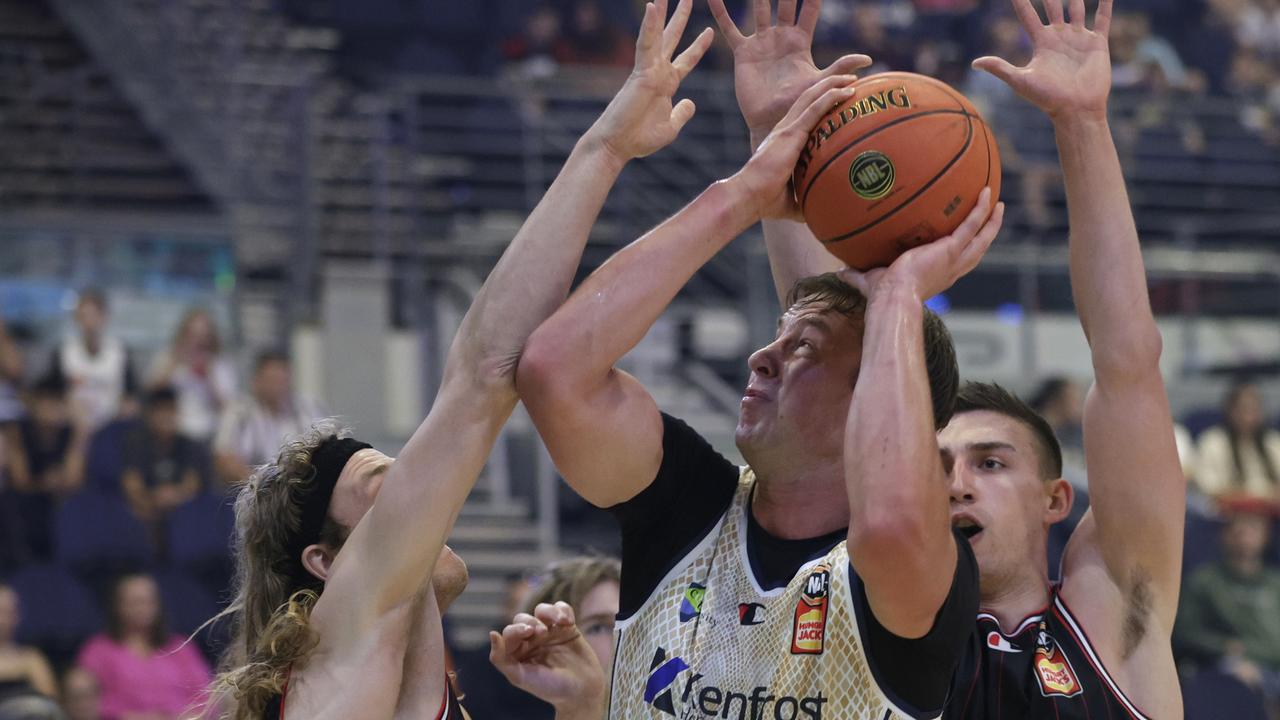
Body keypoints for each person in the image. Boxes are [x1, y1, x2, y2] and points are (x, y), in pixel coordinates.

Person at [205, 4, 716, 718]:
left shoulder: (392, 669)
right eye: (385, 483)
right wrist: (605, 149)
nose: (425, 490)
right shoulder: (341, 641)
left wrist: (583, 709)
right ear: (326, 564)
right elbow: (484, 371)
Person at [518, 1, 1002, 715]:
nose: (760, 358)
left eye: (798, 349)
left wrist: (901, 295)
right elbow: (553, 372)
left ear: (871, 394)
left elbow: (893, 518)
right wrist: (747, 191)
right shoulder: (687, 509)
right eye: (777, 339)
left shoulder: (919, 565)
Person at [938, 0, 1185, 716]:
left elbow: (1128, 361)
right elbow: (821, 359)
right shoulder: (882, 633)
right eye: (939, 465)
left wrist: (1081, 125)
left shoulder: (1113, 610)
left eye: (989, 462)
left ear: (1055, 500)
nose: (955, 484)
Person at [1175, 505, 1280, 704]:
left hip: (1272, 666)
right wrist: (1224, 648)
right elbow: (1185, 633)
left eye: (1252, 527)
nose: (1243, 534)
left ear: (1266, 535)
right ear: (1223, 534)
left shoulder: (1276, 585)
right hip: (1224, 668)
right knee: (1232, 679)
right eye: (1235, 527)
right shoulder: (1204, 582)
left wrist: (1243, 649)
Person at [76, 574, 211, 720]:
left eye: (148, 601)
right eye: (134, 602)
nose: (142, 607)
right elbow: (84, 699)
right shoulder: (97, 650)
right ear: (117, 606)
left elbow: (204, 696)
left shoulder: (181, 647)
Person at [3, 376, 88, 561]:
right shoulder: (18, 430)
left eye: (57, 402)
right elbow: (19, 480)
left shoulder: (70, 432)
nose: (50, 409)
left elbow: (74, 479)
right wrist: (44, 483)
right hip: (24, 503)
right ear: (34, 404)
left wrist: (81, 432)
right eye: (46, 402)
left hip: (57, 500)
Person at [212, 351, 323, 486]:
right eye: (272, 379)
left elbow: (327, 447)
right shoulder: (239, 413)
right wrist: (259, 486)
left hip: (302, 488)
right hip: (252, 493)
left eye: (282, 379)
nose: (278, 386)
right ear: (256, 381)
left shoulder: (308, 409)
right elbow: (224, 458)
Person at [120, 387, 209, 547]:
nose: (167, 417)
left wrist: (173, 496)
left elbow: (192, 486)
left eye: (171, 410)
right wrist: (155, 499)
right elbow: (132, 487)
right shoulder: (135, 444)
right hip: (147, 512)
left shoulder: (189, 445)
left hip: (181, 513)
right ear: (150, 415)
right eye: (161, 411)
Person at [47, 290, 137, 432]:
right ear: (76, 319)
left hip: (112, 427)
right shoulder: (63, 352)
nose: (89, 323)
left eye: (94, 316)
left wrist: (123, 410)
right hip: (71, 427)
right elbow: (51, 395)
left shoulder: (120, 352)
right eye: (83, 316)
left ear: (105, 317)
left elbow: (132, 396)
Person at [146, 309, 237, 442]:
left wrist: (209, 377)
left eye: (203, 336)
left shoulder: (220, 365)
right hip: (173, 432)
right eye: (192, 334)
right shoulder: (167, 357)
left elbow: (227, 409)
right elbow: (150, 395)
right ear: (183, 334)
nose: (197, 341)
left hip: (209, 432)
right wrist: (173, 365)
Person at [1195, 380, 1280, 506]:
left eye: (1255, 409)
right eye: (1244, 409)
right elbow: (1211, 490)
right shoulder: (1213, 442)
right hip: (1228, 514)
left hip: (1271, 514)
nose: (1249, 416)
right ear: (1230, 410)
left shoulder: (1273, 442)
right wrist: (1249, 500)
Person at [0, 585, 57, 703]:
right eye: (1, 611)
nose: (4, 619)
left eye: (11, 611)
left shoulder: (31, 659)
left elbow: (49, 706)